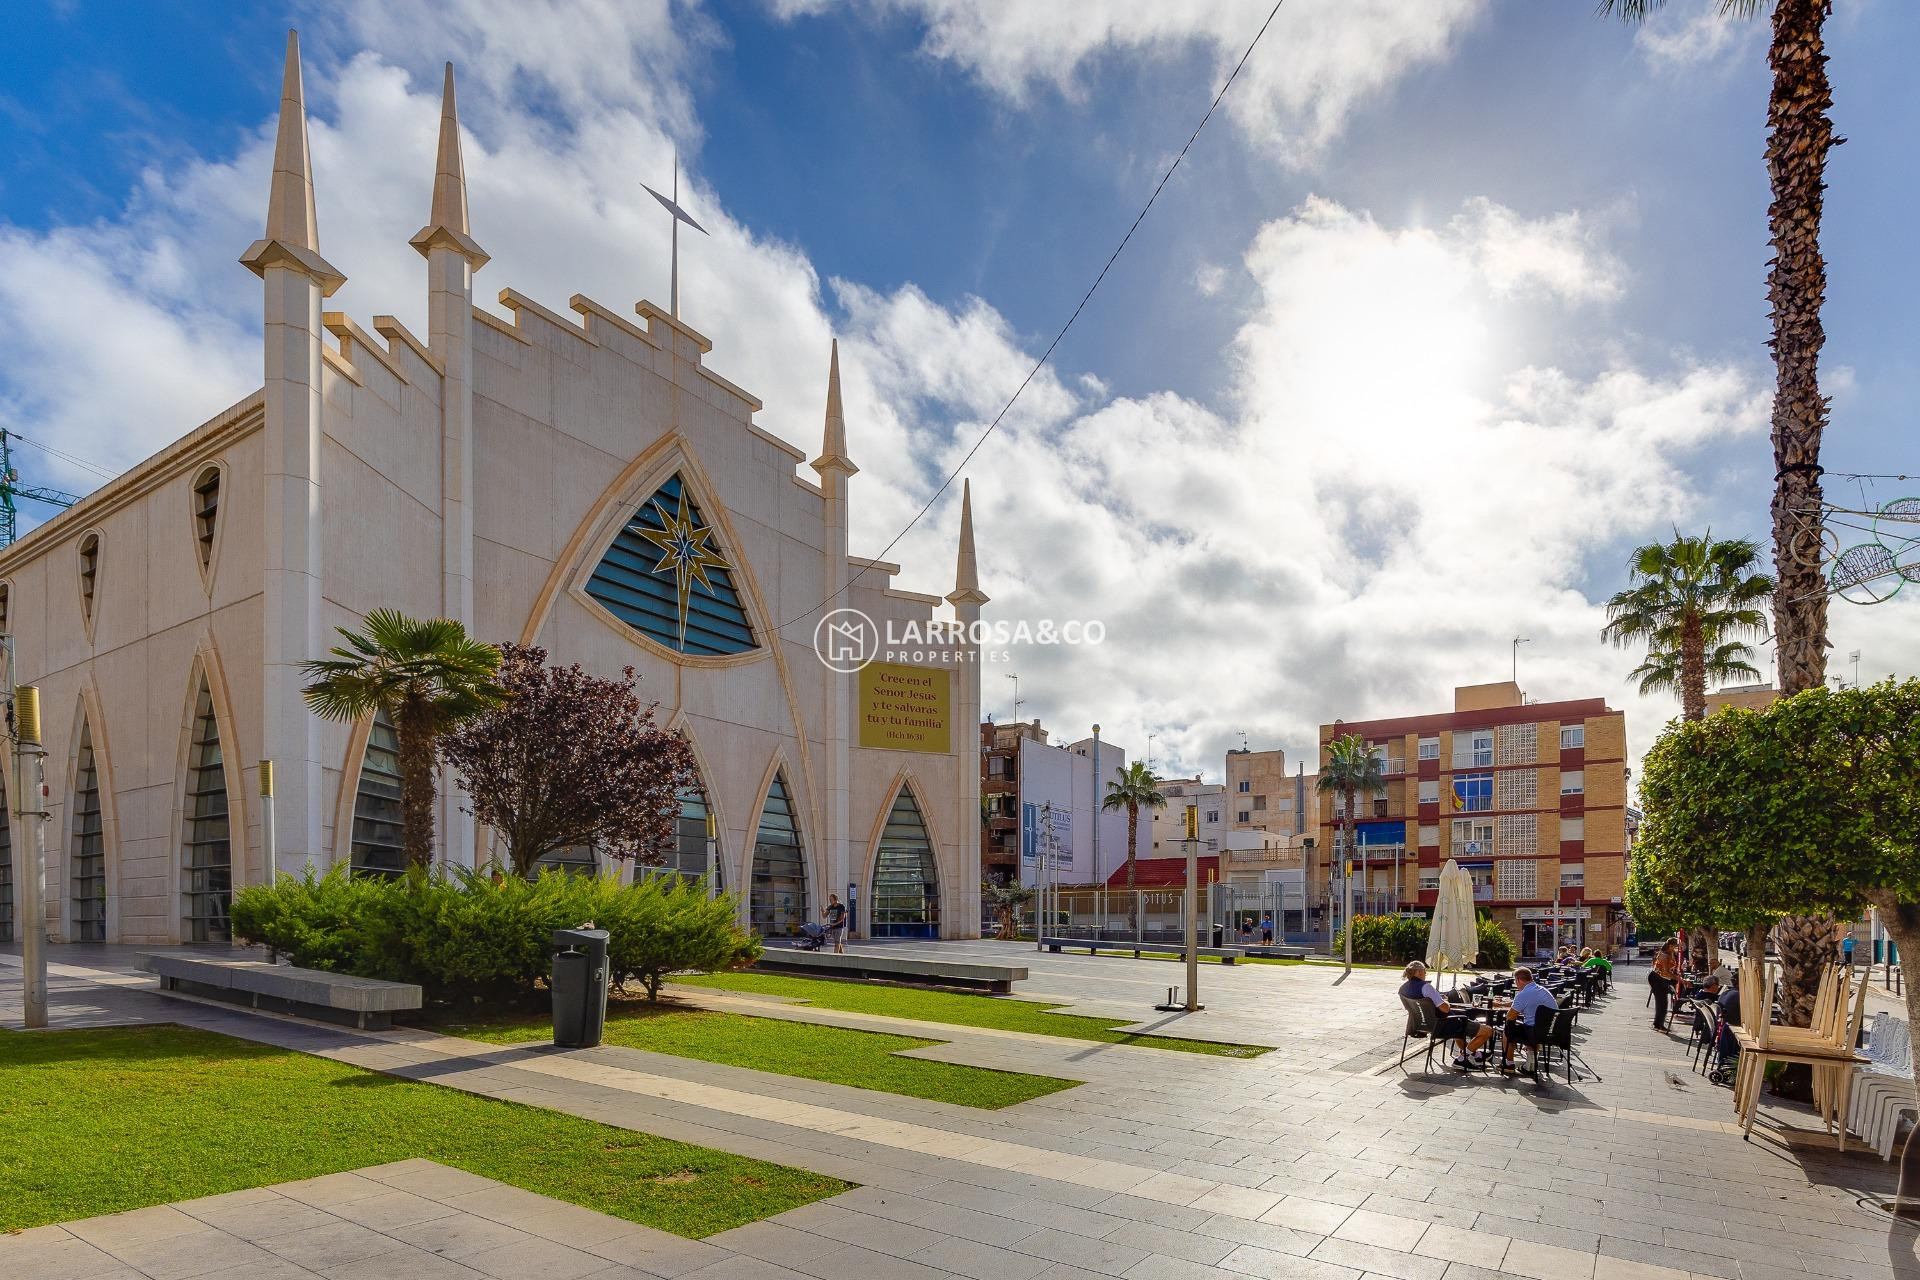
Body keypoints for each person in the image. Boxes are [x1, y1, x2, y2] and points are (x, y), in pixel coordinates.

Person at [1463, 966, 1559, 1077]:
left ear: (1518, 980)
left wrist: (1509, 1009)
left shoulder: (1523, 994)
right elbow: (1526, 1002)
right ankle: (1530, 1065)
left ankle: (1508, 1064)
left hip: (1534, 1033)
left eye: (1515, 981)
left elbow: (1510, 1016)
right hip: (1552, 1032)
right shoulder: (1542, 990)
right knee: (1520, 1026)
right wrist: (1506, 1004)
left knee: (1508, 1029)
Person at [1398, 961, 1480, 1069]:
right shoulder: (1426, 987)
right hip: (1441, 1026)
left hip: (1418, 1026)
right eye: (1424, 971)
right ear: (1418, 972)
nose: (1425, 973)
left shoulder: (1402, 989)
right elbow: (1445, 1009)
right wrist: (1446, 1002)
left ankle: (1476, 1054)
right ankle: (1463, 1058)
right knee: (1486, 1030)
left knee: (1459, 1024)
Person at [1650, 940, 1680, 1031]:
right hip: (1656, 978)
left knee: (1663, 1002)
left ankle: (1658, 1023)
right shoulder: (1663, 955)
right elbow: (1666, 971)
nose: (1676, 948)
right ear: (1670, 946)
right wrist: (1680, 979)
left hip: (1662, 978)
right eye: (1675, 946)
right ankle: (1658, 1024)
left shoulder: (1670, 953)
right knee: (1662, 1002)